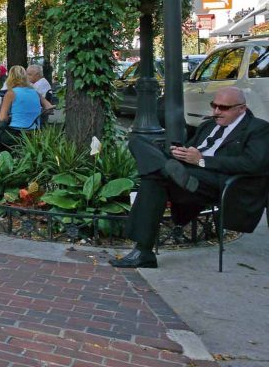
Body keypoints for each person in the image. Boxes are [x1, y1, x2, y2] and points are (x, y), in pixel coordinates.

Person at [110, 87, 269, 269]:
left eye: (223, 108)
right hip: (189, 174)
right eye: (214, 106)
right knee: (138, 141)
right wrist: (181, 153)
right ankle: (171, 172)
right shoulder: (208, 125)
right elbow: (192, 150)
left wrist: (202, 161)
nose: (216, 111)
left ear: (241, 108)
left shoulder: (258, 129)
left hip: (217, 181)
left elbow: (253, 164)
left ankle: (143, 251)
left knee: (153, 179)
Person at [0, 65, 54, 167]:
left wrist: (11, 117)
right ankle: (12, 161)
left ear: (10, 78)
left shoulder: (11, 93)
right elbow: (50, 107)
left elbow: (2, 118)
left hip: (16, 135)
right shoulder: (35, 93)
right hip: (34, 134)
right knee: (2, 132)